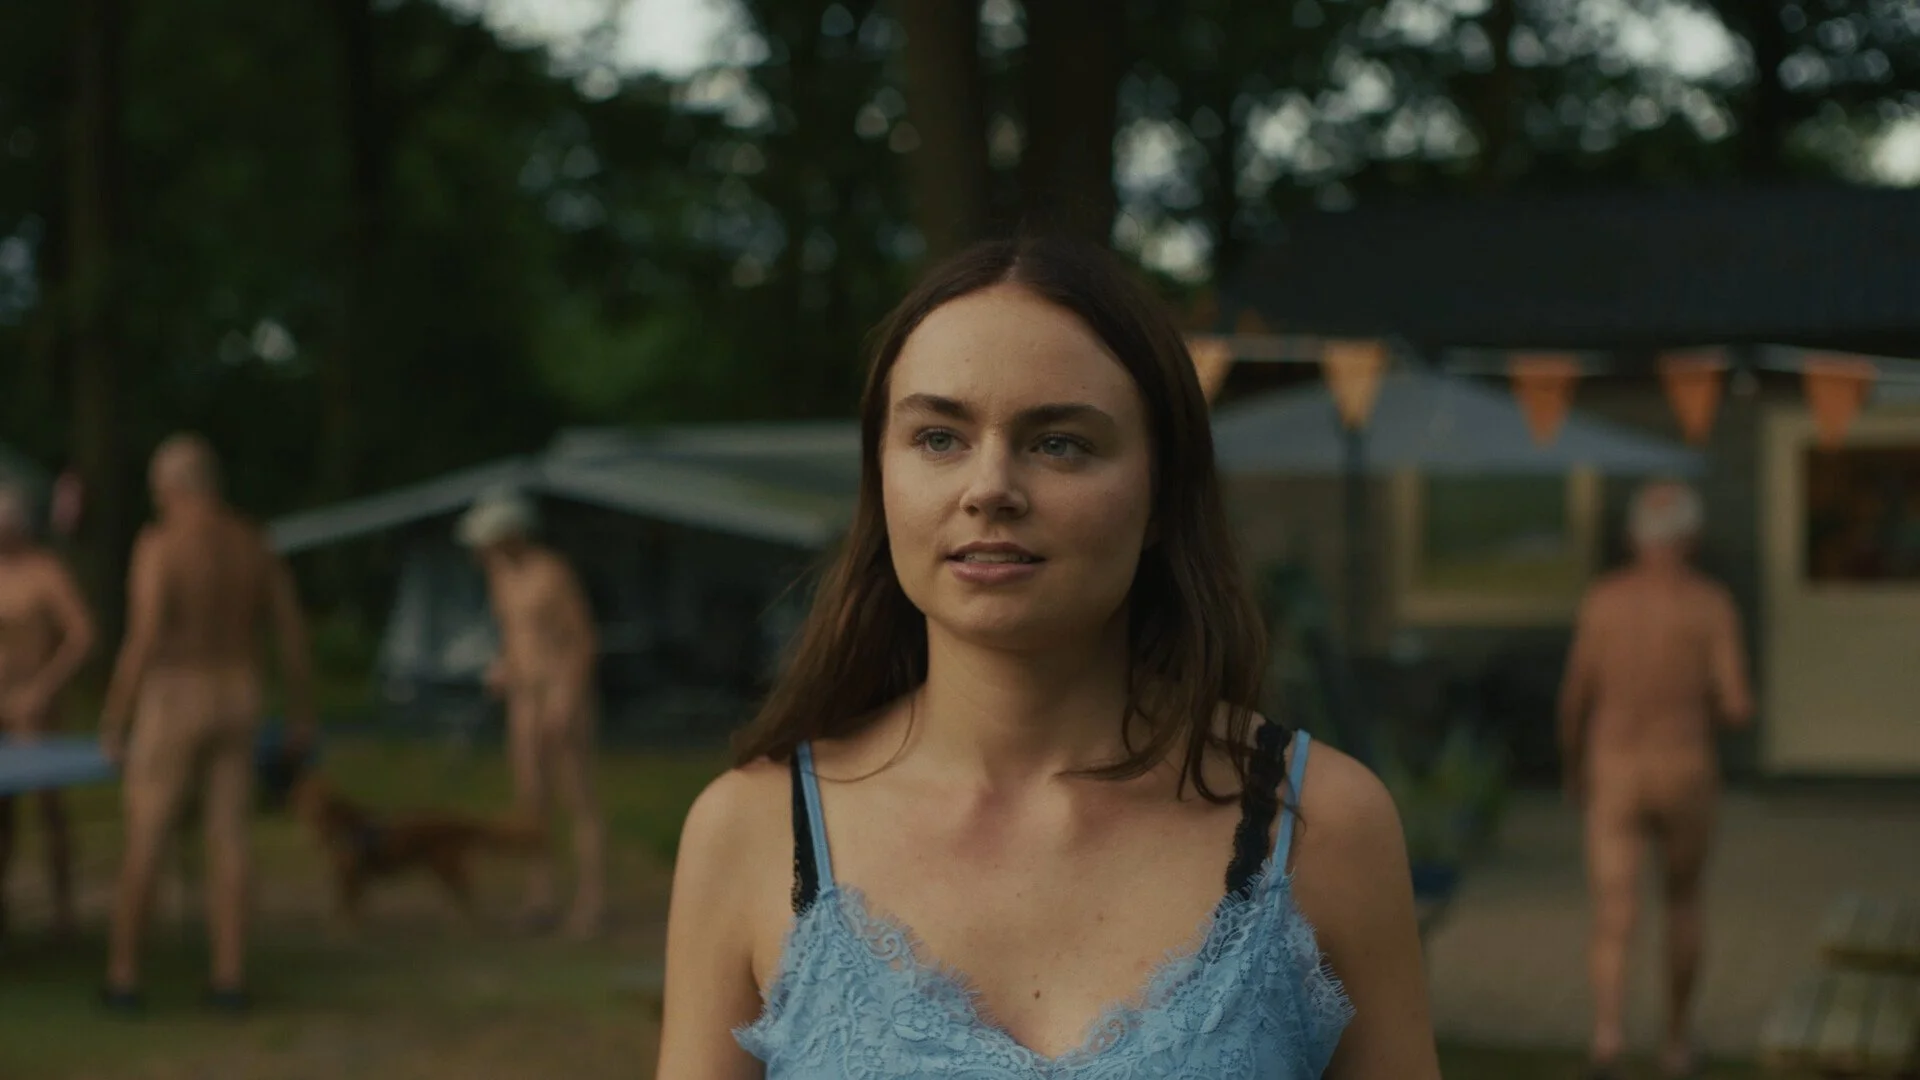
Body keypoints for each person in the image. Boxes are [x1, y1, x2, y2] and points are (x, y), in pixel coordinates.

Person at [657, 236, 1439, 1078]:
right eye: (938, 437)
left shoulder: (1320, 824)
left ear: (1162, 496)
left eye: (1059, 443)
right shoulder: (750, 832)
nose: (990, 487)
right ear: (879, 479)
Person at [99, 434, 316, 1012]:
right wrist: (302, 712)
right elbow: (290, 633)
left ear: (171, 486)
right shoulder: (253, 541)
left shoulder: (160, 544)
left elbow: (145, 635)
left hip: (176, 693)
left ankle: (124, 977)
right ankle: (229, 978)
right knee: (230, 837)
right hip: (239, 693)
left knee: (147, 832)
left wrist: (115, 717)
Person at [1559, 480, 1753, 1079]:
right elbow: (1737, 703)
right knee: (1684, 900)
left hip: (1615, 766)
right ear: (1691, 539)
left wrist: (1572, 767)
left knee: (1614, 909)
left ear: (1634, 537)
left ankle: (1607, 1037)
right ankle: (1675, 1044)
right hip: (1684, 764)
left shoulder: (1604, 601)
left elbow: (1575, 696)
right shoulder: (1710, 605)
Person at [457, 489, 606, 939]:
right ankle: (541, 896)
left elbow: (582, 640)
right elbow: (514, 634)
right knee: (530, 799)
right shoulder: (499, 574)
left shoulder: (551, 572)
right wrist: (504, 666)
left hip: (560, 691)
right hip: (524, 697)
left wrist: (568, 699)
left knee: (576, 797)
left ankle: (590, 902)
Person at [0, 479, 96, 939]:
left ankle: (64, 911)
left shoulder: (45, 572)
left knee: (48, 806)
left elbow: (82, 635)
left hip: (32, 708)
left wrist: (42, 689)